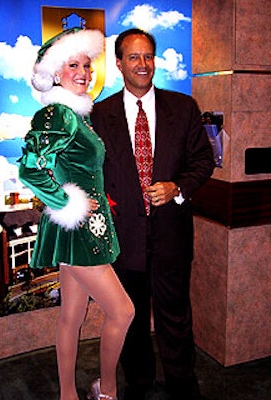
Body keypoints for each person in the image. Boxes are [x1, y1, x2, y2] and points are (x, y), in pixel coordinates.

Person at [91, 28, 215, 400]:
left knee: (175, 317)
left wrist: (177, 187)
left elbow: (202, 160)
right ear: (118, 64)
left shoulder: (184, 107)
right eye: (133, 57)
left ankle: (182, 386)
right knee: (128, 316)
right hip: (123, 237)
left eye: (148, 56)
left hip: (171, 236)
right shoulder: (100, 115)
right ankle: (140, 384)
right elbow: (91, 173)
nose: (143, 65)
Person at [18, 27, 134, 400]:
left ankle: (68, 394)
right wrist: (67, 202)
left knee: (72, 315)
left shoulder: (75, 115)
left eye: (87, 64)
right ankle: (107, 391)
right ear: (55, 72)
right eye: (73, 65)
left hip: (83, 227)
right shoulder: (59, 114)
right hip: (79, 228)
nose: (84, 71)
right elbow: (30, 169)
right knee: (123, 311)